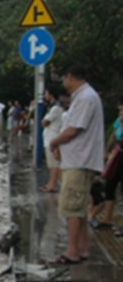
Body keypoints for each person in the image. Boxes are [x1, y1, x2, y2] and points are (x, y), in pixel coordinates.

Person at [47, 62, 105, 264]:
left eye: (64, 78)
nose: (64, 82)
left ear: (70, 77)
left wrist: (54, 142)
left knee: (71, 207)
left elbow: (73, 130)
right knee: (78, 208)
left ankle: (72, 251)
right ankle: (82, 248)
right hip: (77, 160)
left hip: (80, 162)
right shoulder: (83, 97)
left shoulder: (86, 97)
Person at [95, 99, 123, 232]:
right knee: (110, 186)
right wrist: (106, 150)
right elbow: (113, 135)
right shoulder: (119, 121)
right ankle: (107, 218)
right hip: (117, 156)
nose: (120, 112)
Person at [40, 86, 65, 193]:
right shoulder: (53, 107)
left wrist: (44, 120)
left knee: (54, 164)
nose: (45, 95)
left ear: (51, 95)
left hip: (52, 138)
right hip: (49, 138)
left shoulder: (55, 108)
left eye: (46, 93)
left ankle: (53, 185)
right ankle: (51, 183)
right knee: (51, 164)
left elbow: (44, 122)